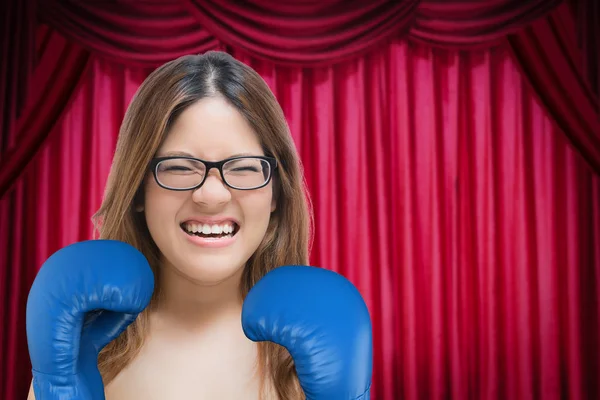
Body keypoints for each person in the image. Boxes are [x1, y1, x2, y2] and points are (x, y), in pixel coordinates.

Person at [26, 51, 372, 399]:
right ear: (137, 190)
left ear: (276, 194)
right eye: (179, 167)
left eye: (243, 167)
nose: (211, 195)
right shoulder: (82, 349)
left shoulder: (316, 356)